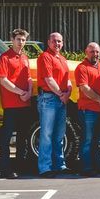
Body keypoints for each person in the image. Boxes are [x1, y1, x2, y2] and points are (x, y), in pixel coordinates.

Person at [0, 28, 34, 178]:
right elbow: (3, 80)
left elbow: (29, 77)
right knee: (6, 139)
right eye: (18, 39)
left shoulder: (24, 57)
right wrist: (20, 92)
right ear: (12, 40)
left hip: (24, 104)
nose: (21, 42)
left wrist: (29, 92)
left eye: (23, 40)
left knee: (22, 138)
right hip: (11, 105)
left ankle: (20, 167)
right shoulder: (4, 58)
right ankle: (5, 169)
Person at [36, 31, 72, 178]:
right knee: (46, 134)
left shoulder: (62, 59)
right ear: (49, 42)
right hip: (49, 99)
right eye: (54, 41)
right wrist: (61, 94)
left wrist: (68, 92)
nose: (57, 44)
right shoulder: (45, 57)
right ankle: (45, 167)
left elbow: (67, 79)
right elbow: (49, 79)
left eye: (59, 41)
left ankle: (60, 164)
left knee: (59, 134)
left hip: (61, 99)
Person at [74, 42, 100, 176]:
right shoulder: (82, 68)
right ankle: (86, 168)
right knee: (88, 140)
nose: (95, 54)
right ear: (86, 52)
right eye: (92, 52)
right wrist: (99, 100)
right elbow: (84, 88)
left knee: (98, 141)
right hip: (88, 110)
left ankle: (98, 166)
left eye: (97, 52)